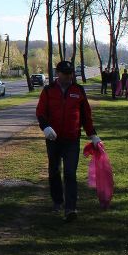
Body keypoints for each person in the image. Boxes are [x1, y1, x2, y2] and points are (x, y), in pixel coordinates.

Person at [36, 60, 102, 222]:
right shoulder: (48, 90)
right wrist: (45, 127)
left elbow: (86, 115)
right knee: (54, 170)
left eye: (70, 73)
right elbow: (40, 112)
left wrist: (92, 134)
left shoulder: (78, 90)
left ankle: (70, 208)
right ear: (58, 74)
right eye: (65, 74)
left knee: (70, 173)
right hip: (53, 138)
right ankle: (58, 200)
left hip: (72, 139)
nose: (68, 77)